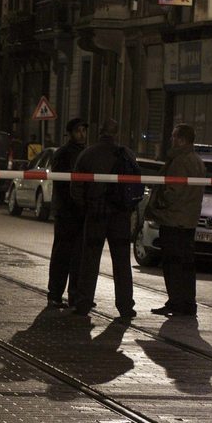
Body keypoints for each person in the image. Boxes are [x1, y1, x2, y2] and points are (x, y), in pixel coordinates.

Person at [69, 119, 136, 320]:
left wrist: (85, 205)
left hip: (96, 212)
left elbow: (76, 186)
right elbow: (135, 185)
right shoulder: (127, 154)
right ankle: (125, 306)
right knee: (122, 262)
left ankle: (84, 302)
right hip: (120, 215)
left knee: (90, 259)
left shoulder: (88, 154)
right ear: (117, 134)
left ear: (100, 132)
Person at [145, 123, 205, 317]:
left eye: (173, 136)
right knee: (187, 264)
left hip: (173, 219)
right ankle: (188, 303)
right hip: (189, 220)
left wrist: (158, 204)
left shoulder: (179, 161)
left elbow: (173, 191)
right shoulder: (197, 160)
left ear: (181, 139)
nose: (171, 140)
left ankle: (176, 302)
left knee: (172, 264)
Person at [46, 117, 88, 308]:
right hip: (66, 212)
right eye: (78, 131)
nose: (82, 134)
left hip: (79, 212)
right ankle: (55, 294)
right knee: (62, 255)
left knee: (78, 257)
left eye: (84, 131)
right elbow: (61, 183)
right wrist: (75, 201)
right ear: (70, 133)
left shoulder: (86, 153)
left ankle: (74, 295)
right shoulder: (63, 154)